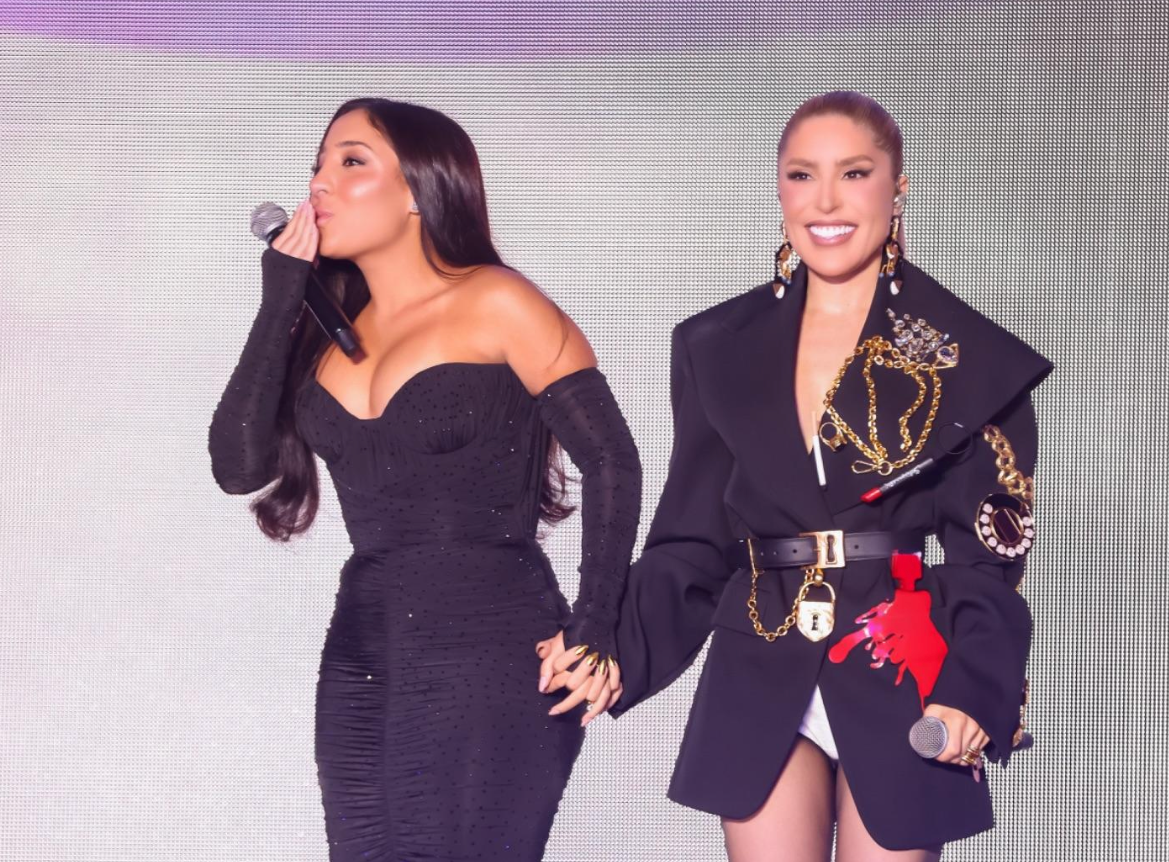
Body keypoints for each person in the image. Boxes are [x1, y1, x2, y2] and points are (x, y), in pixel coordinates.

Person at [606, 92, 1053, 860]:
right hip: (759, 654)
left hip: (901, 662)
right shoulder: (716, 346)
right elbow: (691, 539)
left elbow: (990, 560)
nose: (825, 201)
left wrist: (974, 686)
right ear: (778, 189)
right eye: (801, 175)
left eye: (854, 173)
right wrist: (610, 649)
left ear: (897, 187)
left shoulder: (969, 358)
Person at [207, 97, 641, 861]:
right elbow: (237, 466)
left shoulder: (496, 300)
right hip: (363, 650)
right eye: (317, 165)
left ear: (418, 189)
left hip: (493, 647)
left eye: (351, 161)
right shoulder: (329, 336)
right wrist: (281, 297)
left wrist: (594, 624)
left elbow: (611, 457)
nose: (319, 184)